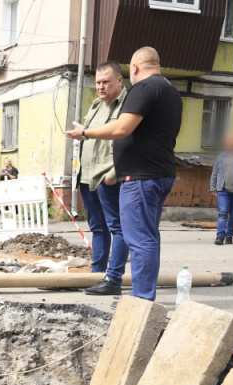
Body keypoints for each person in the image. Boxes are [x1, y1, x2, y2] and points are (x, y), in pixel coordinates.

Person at [66, 47, 183, 302]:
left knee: (139, 239)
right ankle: (142, 295)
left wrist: (85, 133)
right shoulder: (170, 91)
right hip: (157, 173)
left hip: (141, 178)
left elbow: (122, 128)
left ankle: (140, 299)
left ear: (134, 68)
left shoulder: (144, 88)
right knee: (147, 238)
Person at [77, 61, 128, 297]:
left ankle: (113, 277)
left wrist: (113, 175)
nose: (100, 86)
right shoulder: (97, 105)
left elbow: (129, 142)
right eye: (98, 82)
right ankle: (97, 274)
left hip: (107, 177)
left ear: (119, 80)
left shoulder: (126, 105)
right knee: (97, 228)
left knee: (117, 228)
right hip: (87, 176)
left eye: (105, 81)